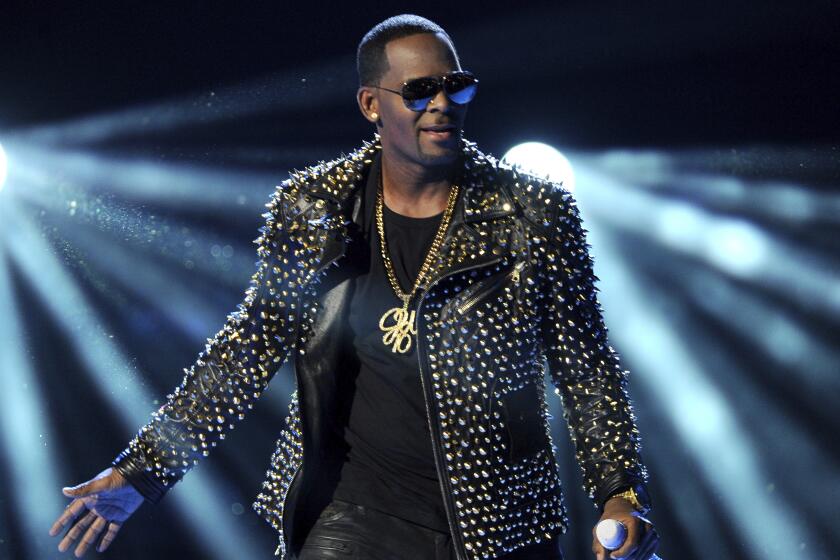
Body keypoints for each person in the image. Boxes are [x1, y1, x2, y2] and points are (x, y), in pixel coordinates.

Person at [49, 14, 658, 560]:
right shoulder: (316, 210)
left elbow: (586, 365)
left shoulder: (531, 211)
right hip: (352, 512)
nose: (443, 102)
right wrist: (145, 470)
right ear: (372, 103)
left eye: (457, 84)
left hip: (499, 520)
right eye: (420, 91)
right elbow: (250, 347)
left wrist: (618, 492)